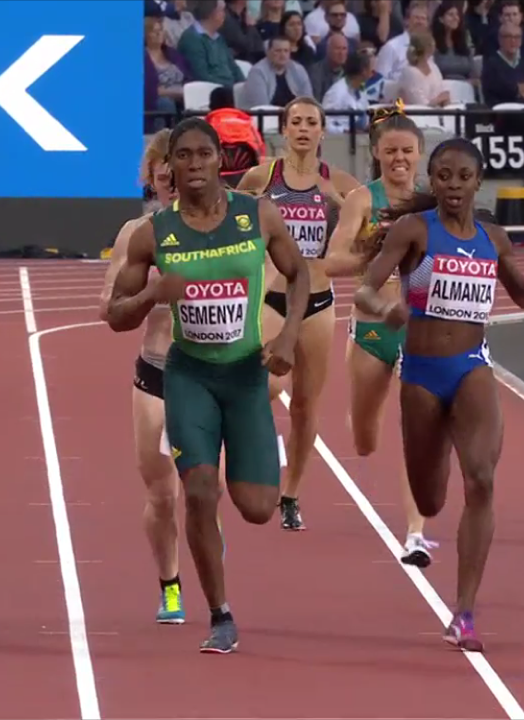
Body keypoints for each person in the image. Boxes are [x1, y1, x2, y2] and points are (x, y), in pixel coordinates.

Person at [105, 117, 310, 654]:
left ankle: (246, 464)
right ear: (169, 165)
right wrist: (152, 295)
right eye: (183, 156)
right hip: (189, 375)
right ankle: (220, 615)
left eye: (203, 154)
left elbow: (299, 273)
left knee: (258, 506)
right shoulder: (153, 234)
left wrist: (289, 335)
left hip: (244, 376)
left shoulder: (258, 214)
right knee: (198, 491)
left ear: (220, 159)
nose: (194, 164)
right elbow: (115, 315)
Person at [354, 138, 524, 652]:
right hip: (422, 374)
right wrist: (386, 309)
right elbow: (366, 288)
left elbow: (520, 289)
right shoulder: (414, 230)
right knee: (431, 499)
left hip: (471, 366)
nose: (453, 186)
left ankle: (464, 612)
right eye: (443, 176)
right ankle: (439, 441)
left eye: (463, 177)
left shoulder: (493, 238)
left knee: (482, 479)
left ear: (477, 181)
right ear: (433, 179)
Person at [236, 96, 360, 531]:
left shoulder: (340, 182)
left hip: (319, 303)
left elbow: (370, 236)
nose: (304, 129)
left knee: (307, 405)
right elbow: (230, 223)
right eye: (297, 122)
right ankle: (250, 453)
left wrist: (339, 203)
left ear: (322, 131)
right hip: (272, 297)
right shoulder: (262, 177)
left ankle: (290, 495)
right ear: (284, 129)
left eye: (311, 122)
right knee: (266, 384)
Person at [325, 103, 437, 566]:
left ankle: (416, 534)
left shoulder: (431, 203)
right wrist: (377, 254)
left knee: (417, 430)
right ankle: (360, 424)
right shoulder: (362, 201)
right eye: (391, 151)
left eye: (407, 151)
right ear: (377, 153)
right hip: (372, 331)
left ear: (419, 153)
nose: (399, 159)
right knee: (365, 439)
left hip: (417, 330)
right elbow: (331, 262)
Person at [98, 130, 188, 625]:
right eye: (162, 172)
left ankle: (210, 546)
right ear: (151, 178)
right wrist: (152, 291)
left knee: (207, 489)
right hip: (156, 372)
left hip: (209, 373)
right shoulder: (138, 233)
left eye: (179, 168)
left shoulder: (223, 228)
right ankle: (170, 586)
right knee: (162, 494)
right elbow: (108, 306)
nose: (172, 179)